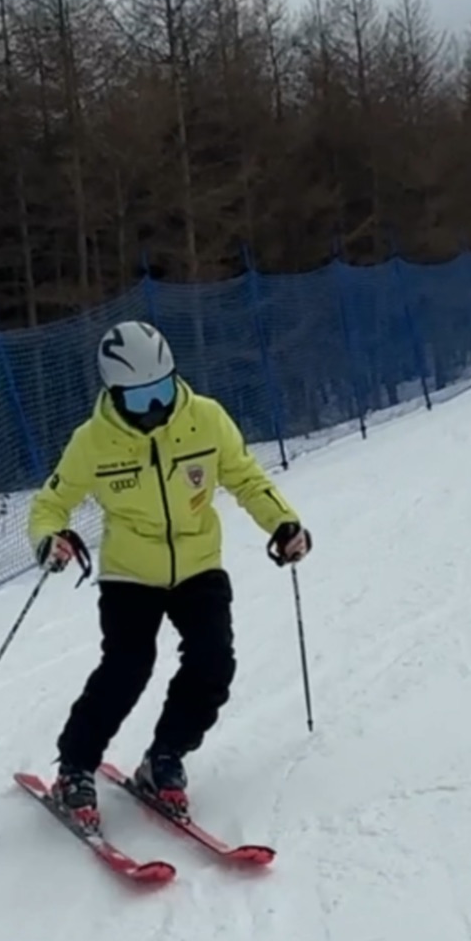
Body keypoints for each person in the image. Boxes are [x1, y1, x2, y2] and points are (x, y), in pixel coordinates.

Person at [27, 320, 311, 828]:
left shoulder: (205, 419)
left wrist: (283, 523)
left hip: (198, 563)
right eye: (139, 400)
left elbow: (245, 477)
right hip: (130, 573)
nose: (155, 409)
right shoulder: (92, 442)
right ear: (113, 395)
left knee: (213, 663)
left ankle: (164, 758)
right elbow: (52, 503)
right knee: (127, 669)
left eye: (162, 390)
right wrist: (51, 538)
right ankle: (75, 766)